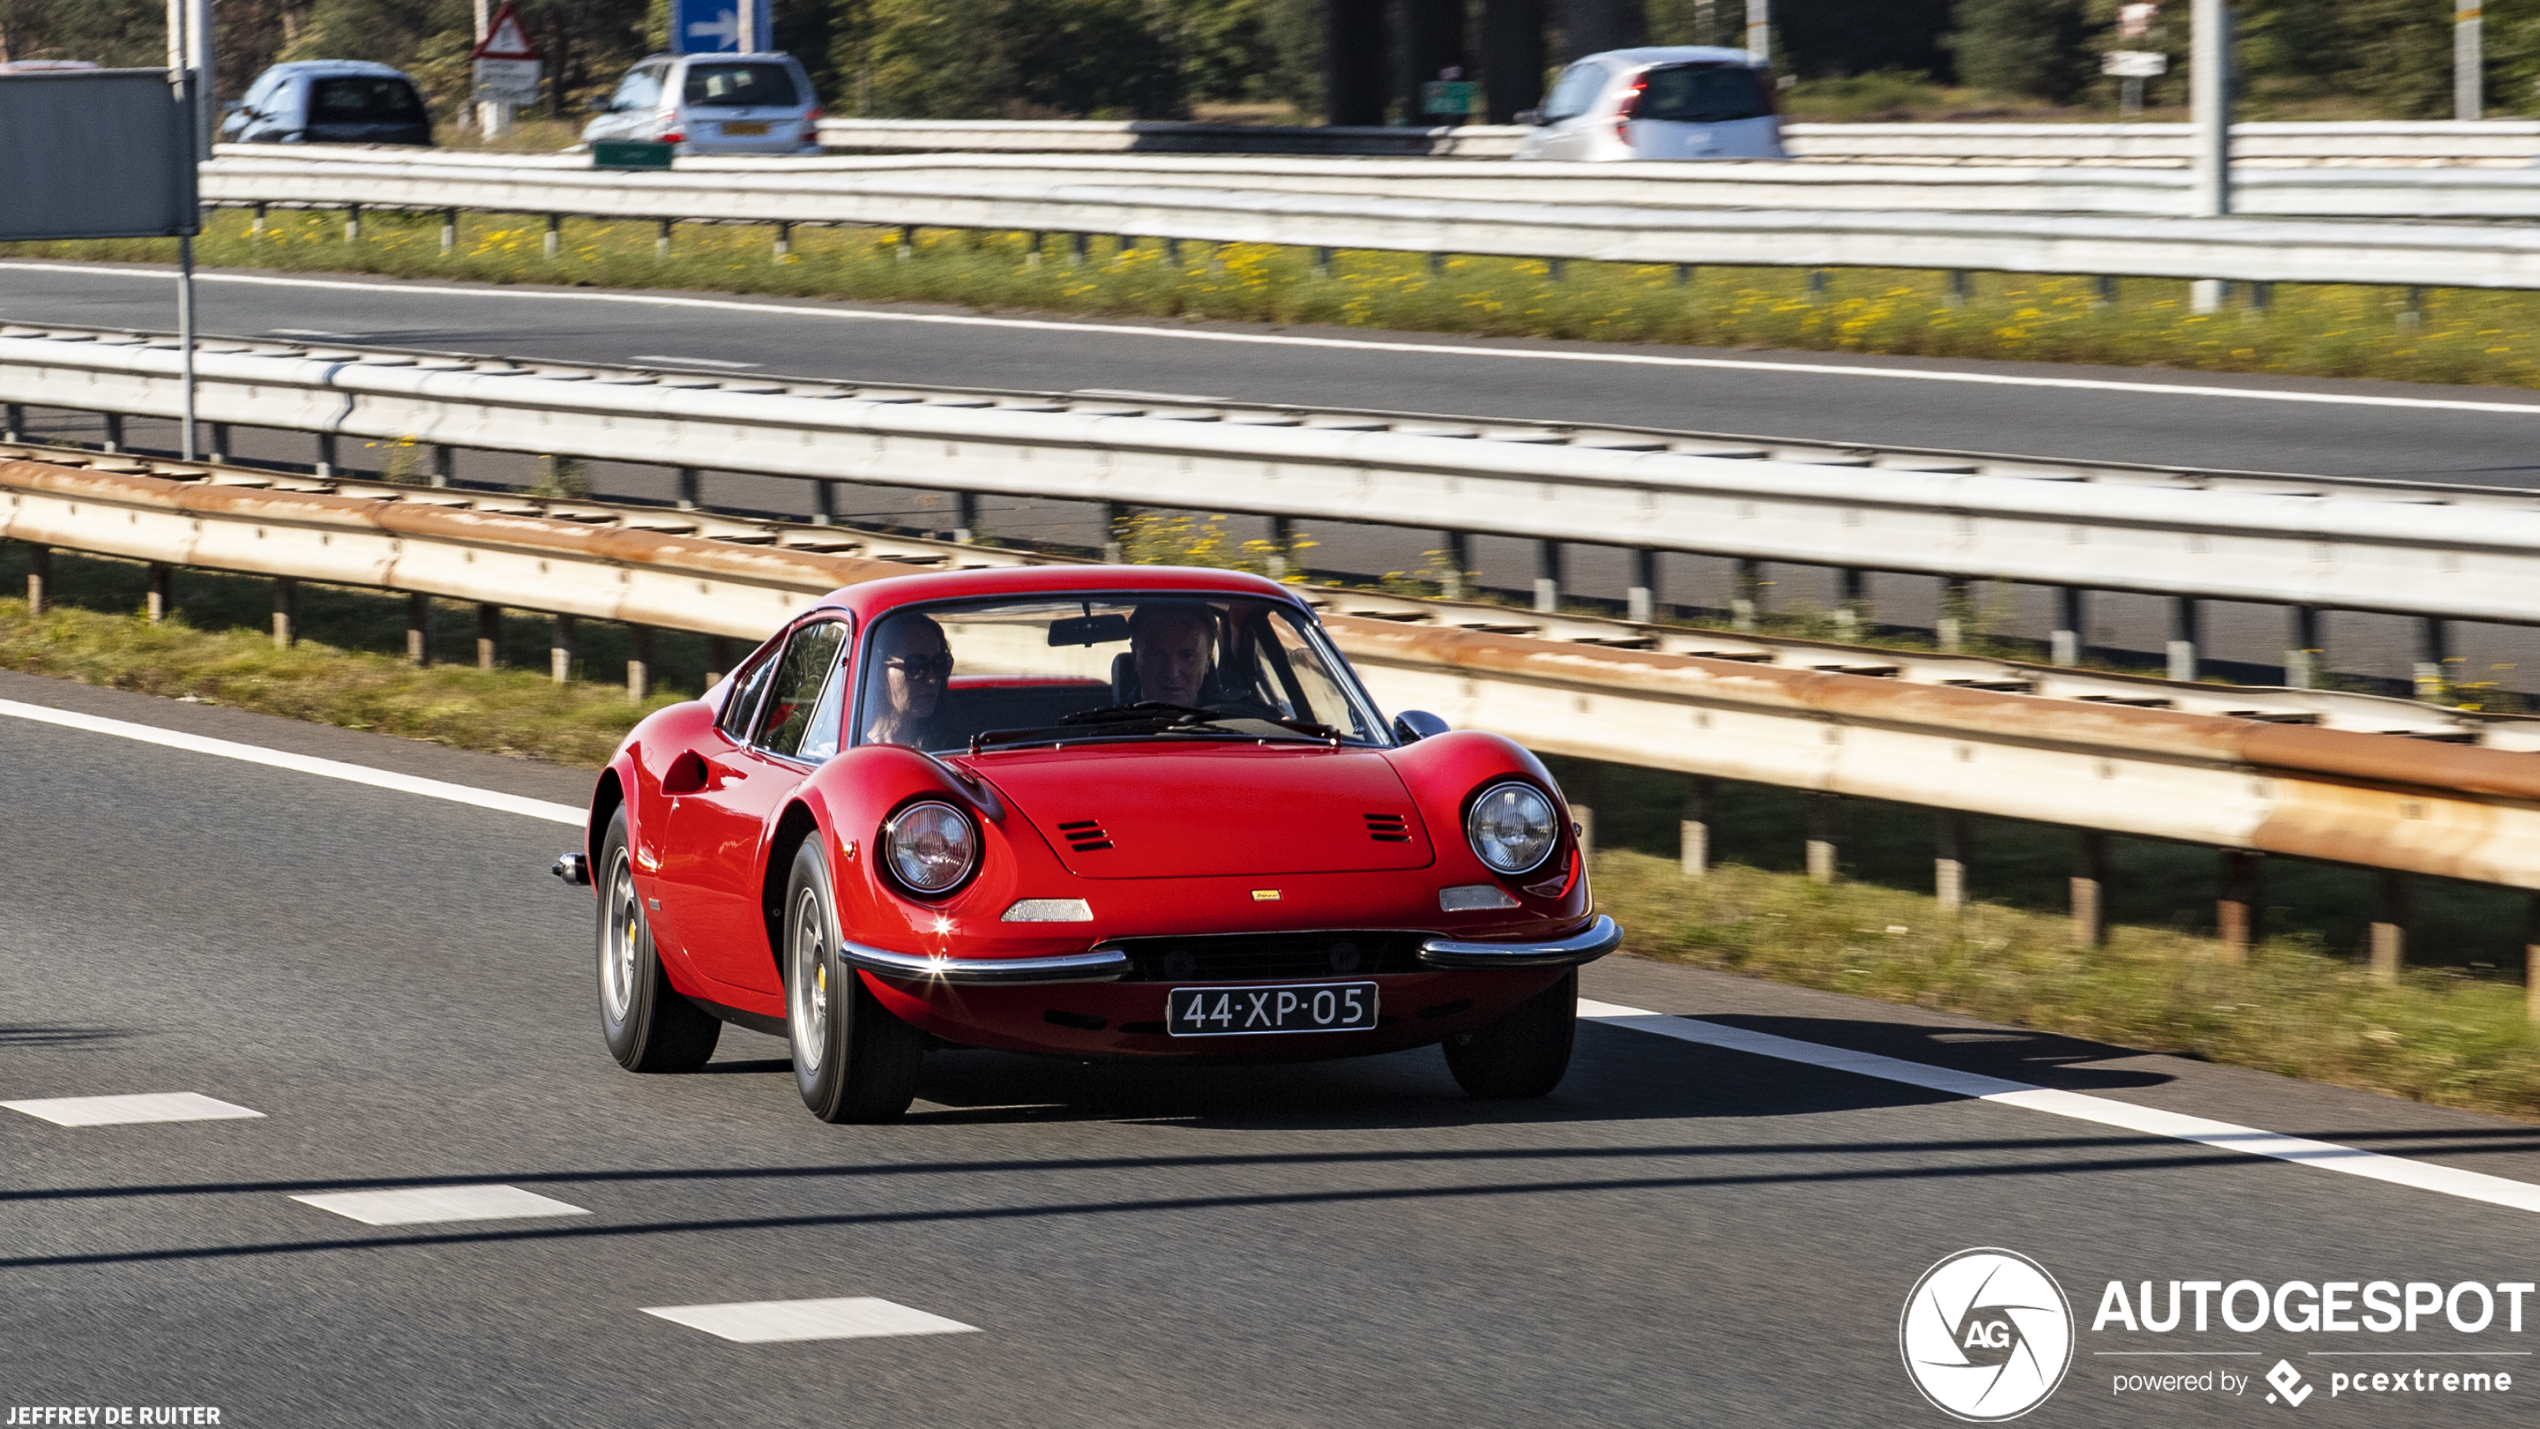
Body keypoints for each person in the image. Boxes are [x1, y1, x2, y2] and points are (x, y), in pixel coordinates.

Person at [861, 614, 951, 748]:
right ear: (879, 673)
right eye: (915, 666)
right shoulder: (848, 754)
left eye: (940, 663)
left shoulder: (956, 745)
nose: (933, 679)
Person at [1127, 601, 1217, 708]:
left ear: (1208, 659)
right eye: (1157, 654)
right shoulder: (1107, 722)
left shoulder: (1233, 719)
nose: (1172, 673)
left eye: (1187, 656)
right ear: (1135, 657)